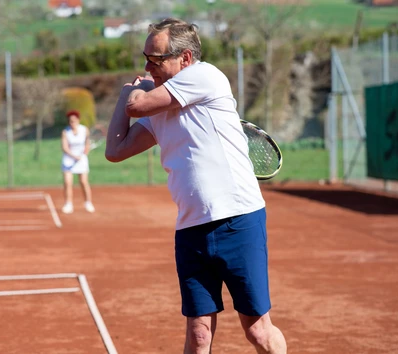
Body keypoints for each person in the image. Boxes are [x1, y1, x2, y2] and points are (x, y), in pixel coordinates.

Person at [105, 18, 286, 353]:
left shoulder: (205, 75)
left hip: (238, 220)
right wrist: (124, 95)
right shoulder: (159, 109)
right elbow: (115, 151)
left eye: (155, 60)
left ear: (185, 59)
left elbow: (136, 105)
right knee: (199, 334)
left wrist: (131, 92)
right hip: (191, 229)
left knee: (258, 330)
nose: (147, 66)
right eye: (145, 58)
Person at [61, 110, 95, 214]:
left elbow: (87, 143)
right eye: (70, 121)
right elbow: (64, 147)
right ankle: (68, 204)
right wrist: (74, 156)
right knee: (68, 183)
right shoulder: (65, 132)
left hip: (81, 160)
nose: (72, 123)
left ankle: (88, 203)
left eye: (74, 121)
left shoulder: (84, 130)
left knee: (83, 182)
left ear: (78, 120)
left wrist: (85, 151)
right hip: (68, 160)